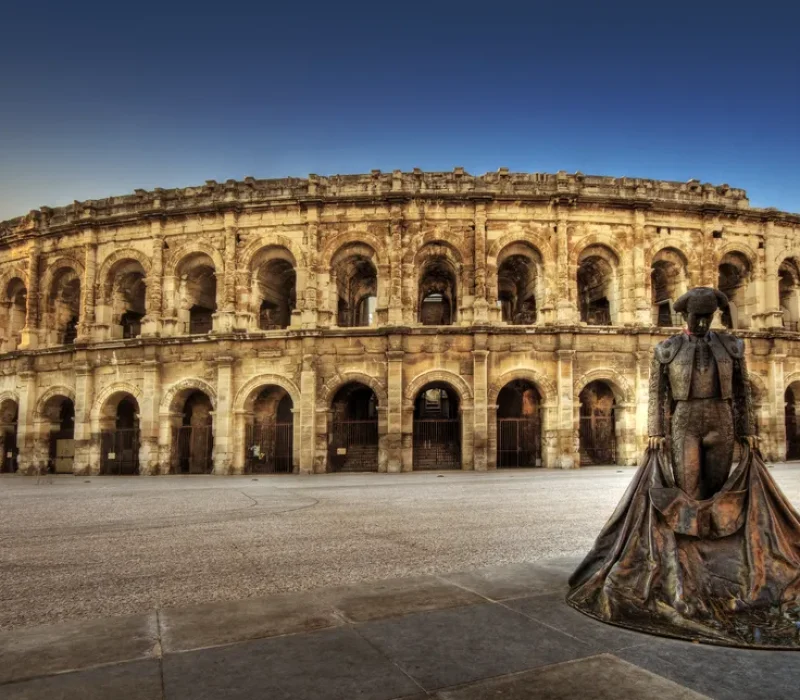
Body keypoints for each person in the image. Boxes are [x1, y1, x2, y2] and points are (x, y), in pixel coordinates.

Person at [647, 287, 758, 499]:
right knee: (688, 487)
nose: (701, 323)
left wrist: (747, 429)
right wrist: (655, 430)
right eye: (696, 317)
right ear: (684, 315)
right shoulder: (667, 348)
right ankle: (690, 530)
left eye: (707, 317)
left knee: (717, 487)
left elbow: (742, 390)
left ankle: (713, 530)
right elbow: (656, 393)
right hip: (685, 419)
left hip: (721, 417)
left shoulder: (731, 345)